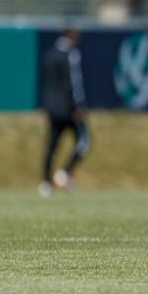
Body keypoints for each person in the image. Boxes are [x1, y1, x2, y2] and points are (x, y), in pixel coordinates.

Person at [39, 28, 90, 196]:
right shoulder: (71, 55)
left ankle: (46, 183)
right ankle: (64, 173)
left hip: (52, 109)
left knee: (52, 146)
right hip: (68, 110)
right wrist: (78, 106)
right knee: (84, 141)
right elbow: (74, 83)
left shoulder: (49, 55)